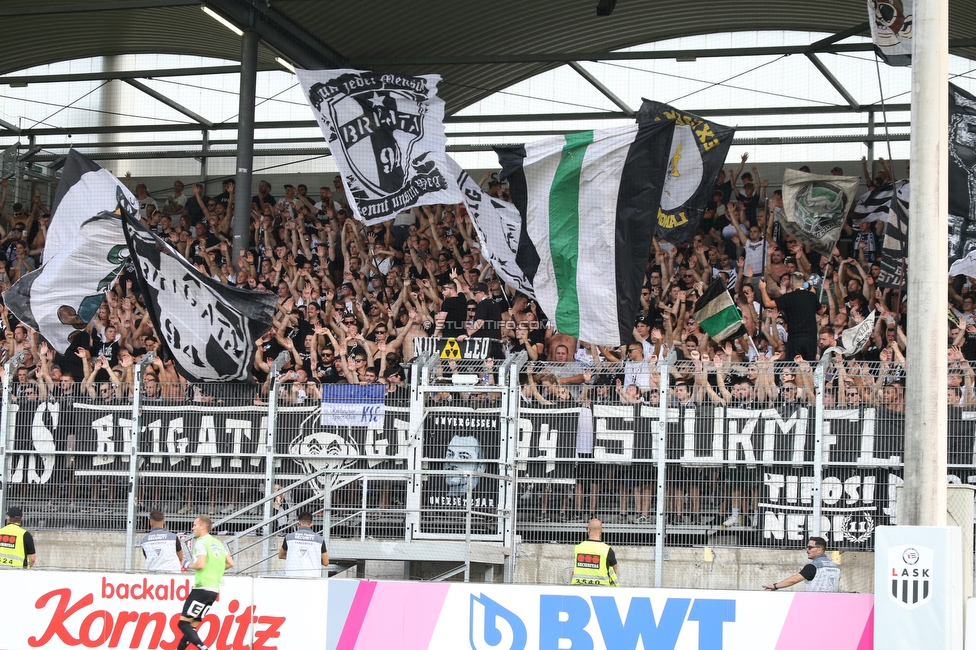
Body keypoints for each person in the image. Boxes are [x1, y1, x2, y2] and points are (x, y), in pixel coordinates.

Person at [176, 516, 234, 650]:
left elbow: (200, 564)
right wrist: (214, 570)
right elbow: (231, 563)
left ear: (203, 526)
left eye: (194, 525)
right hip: (213, 590)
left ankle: (203, 647)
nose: (192, 528)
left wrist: (187, 564)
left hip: (201, 588)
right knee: (191, 627)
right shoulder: (218, 543)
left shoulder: (201, 542)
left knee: (183, 624)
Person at [763, 536, 840, 592]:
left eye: (810, 547)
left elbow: (793, 580)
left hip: (815, 603)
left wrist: (775, 586)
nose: (807, 550)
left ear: (819, 550)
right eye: (806, 547)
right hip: (831, 604)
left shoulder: (813, 566)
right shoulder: (836, 567)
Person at [278, 511, 329, 578]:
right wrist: (313, 558)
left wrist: (294, 556)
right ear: (311, 524)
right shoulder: (320, 539)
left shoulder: (289, 537)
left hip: (291, 577)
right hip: (313, 577)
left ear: (299, 522)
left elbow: (280, 555)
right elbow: (326, 562)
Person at [570, 518, 619, 586]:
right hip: (601, 591)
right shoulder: (607, 550)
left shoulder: (578, 548)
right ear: (601, 530)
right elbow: (614, 570)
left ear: (588, 530)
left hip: (580, 588)